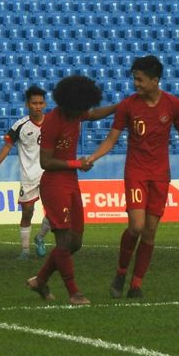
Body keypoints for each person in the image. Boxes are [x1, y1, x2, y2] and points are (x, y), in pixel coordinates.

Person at [87, 55, 179, 299]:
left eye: (140, 79)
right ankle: (120, 272)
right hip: (136, 171)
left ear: (155, 80)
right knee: (136, 226)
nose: (135, 84)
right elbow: (111, 139)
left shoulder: (173, 105)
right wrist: (93, 157)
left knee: (150, 232)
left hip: (160, 175)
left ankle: (136, 285)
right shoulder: (128, 106)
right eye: (134, 79)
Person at [27, 75, 118, 305]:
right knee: (64, 241)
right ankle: (73, 292)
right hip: (55, 184)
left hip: (71, 183)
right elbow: (45, 161)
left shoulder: (76, 112)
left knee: (75, 242)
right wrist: (77, 163)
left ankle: (40, 280)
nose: (86, 109)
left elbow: (95, 114)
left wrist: (120, 106)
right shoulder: (53, 122)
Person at [0, 85, 52, 260]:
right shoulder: (20, 125)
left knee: (54, 213)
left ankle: (40, 237)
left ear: (45, 104)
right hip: (29, 176)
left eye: (40, 103)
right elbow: (7, 146)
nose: (37, 106)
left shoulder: (52, 122)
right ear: (27, 104)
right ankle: (26, 250)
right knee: (27, 212)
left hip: (49, 174)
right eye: (34, 103)